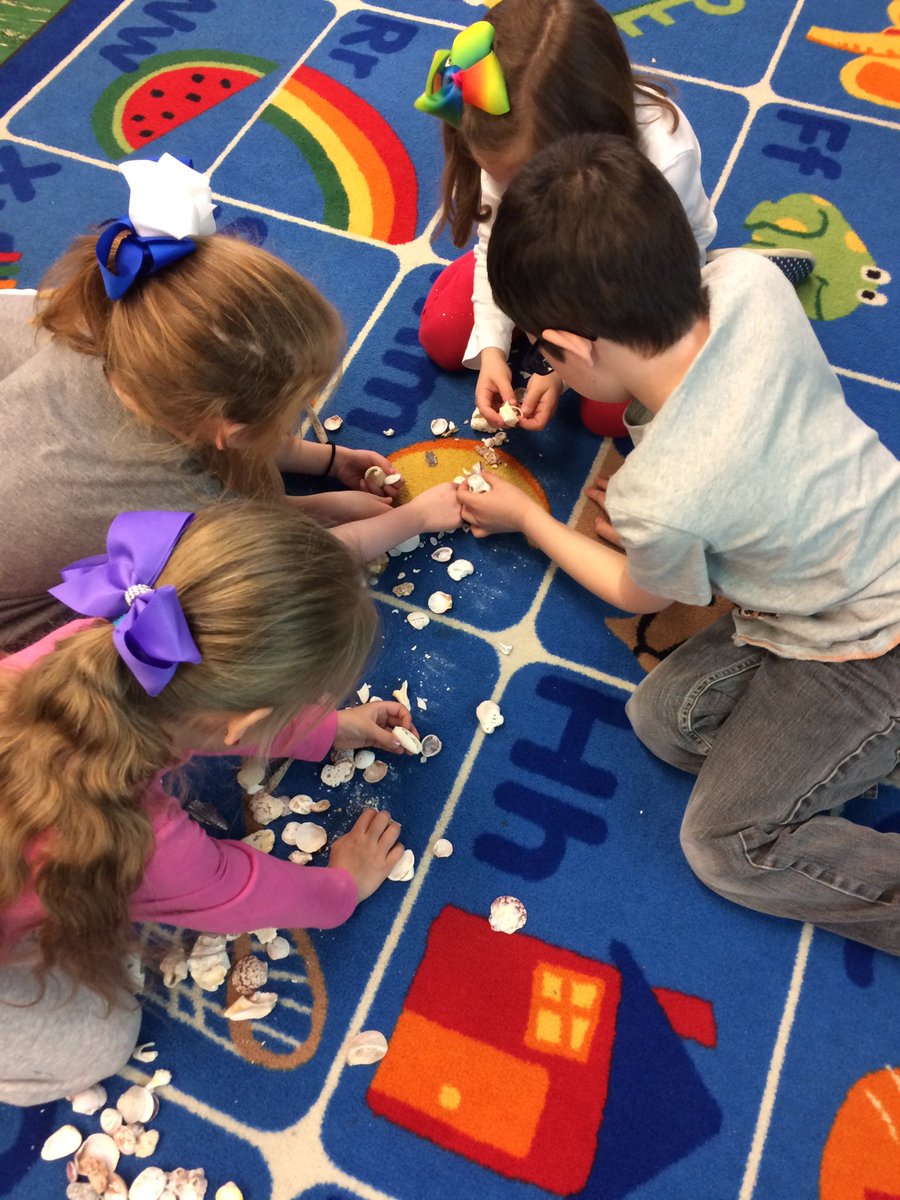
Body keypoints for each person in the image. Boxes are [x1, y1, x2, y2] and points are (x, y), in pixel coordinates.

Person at [458, 132, 900, 955]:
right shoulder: (749, 277)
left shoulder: (659, 494)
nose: (543, 365)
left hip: (868, 644)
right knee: (666, 720)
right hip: (856, 549)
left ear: (577, 343)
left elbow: (643, 595)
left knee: (725, 846)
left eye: (547, 352)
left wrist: (534, 523)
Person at [0, 500, 435, 1105]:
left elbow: (213, 709)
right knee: (102, 1039)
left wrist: (327, 728)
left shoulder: (109, 637)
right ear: (247, 720)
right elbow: (241, 890)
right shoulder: (148, 845)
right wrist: (344, 887)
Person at [0, 153, 459, 652]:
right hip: (18, 620)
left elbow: (224, 433)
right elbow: (275, 568)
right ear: (226, 430)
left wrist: (329, 461)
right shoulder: (161, 496)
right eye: (294, 408)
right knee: (191, 625)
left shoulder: (119, 318)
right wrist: (414, 519)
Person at [415, 0, 717, 437]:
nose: (509, 191)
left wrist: (560, 367)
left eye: (519, 181)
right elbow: (492, 244)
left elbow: (671, 281)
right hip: (544, 266)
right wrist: (494, 349)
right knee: (446, 337)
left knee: (611, 412)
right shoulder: (512, 137)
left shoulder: (667, 160)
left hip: (634, 282)